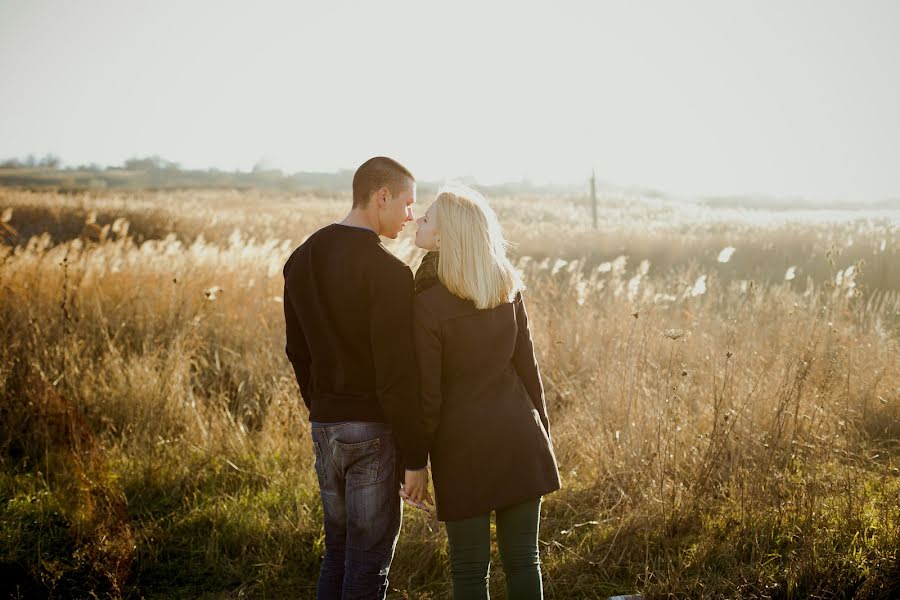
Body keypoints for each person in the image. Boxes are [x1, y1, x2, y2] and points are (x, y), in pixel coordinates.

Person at [282, 156, 432, 600]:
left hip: (324, 426)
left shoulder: (301, 259)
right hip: (372, 433)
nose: (410, 216)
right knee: (367, 563)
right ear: (381, 196)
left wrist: (323, 407)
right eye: (407, 203)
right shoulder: (389, 274)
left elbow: (297, 351)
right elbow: (396, 373)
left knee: (338, 552)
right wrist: (416, 458)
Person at [411, 185, 561, 599]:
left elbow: (427, 396)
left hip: (462, 451)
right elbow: (529, 370)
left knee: (469, 570)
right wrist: (543, 434)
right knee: (523, 561)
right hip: (520, 437)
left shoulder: (426, 303)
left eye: (426, 219)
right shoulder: (505, 287)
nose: (416, 221)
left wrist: (416, 461)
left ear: (444, 237)